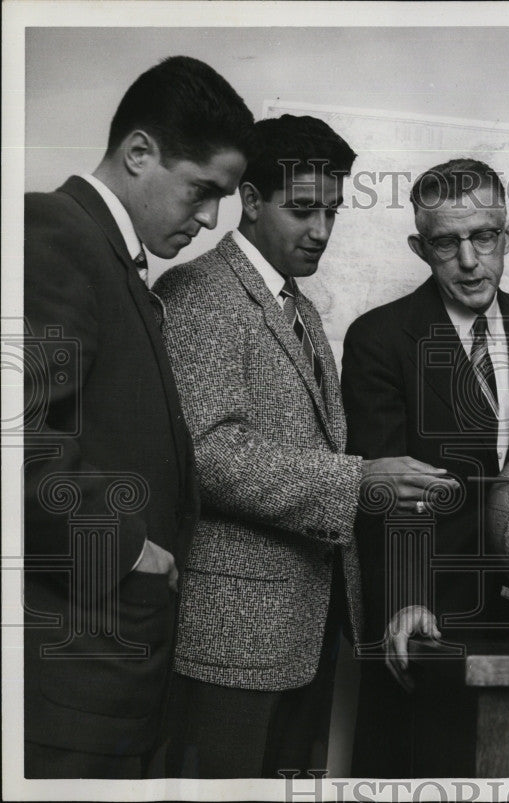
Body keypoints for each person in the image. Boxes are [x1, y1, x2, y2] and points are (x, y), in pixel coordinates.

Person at [153, 115, 455, 778]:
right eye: (302, 210)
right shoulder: (199, 293)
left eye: (332, 211)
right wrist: (359, 479)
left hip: (303, 635)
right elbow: (207, 453)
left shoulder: (301, 306)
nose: (320, 231)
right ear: (253, 201)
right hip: (231, 642)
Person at [21, 55, 253, 779]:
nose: (212, 217)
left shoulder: (114, 258)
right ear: (139, 153)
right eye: (202, 190)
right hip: (71, 685)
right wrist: (128, 548)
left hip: (109, 680)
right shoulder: (53, 233)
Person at [341, 158, 509, 775]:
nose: (469, 260)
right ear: (421, 247)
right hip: (425, 618)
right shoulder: (378, 338)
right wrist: (409, 598)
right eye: (447, 242)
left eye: (484, 237)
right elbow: (385, 490)